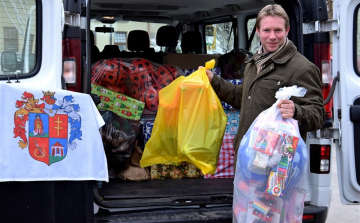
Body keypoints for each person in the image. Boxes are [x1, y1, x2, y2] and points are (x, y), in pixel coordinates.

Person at [200, 4, 325, 157]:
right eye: (266, 30)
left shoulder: (302, 68)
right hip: (246, 157)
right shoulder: (253, 63)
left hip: (276, 162)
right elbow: (241, 97)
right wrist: (213, 80)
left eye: (278, 30)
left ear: (287, 30)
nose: (272, 36)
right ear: (258, 31)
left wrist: (296, 111)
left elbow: (318, 115)